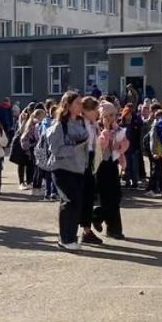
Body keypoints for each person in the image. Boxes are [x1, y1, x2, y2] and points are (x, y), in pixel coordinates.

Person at [45, 91, 90, 251]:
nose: (80, 106)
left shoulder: (81, 122)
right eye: (77, 103)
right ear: (68, 105)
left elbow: (86, 145)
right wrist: (74, 147)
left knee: (76, 203)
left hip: (78, 168)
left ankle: (70, 237)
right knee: (69, 202)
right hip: (62, 169)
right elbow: (55, 150)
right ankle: (65, 239)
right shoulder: (58, 125)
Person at [96, 101, 129, 240]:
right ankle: (111, 227)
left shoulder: (117, 128)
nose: (110, 118)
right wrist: (105, 133)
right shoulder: (97, 128)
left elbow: (125, 144)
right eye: (107, 115)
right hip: (101, 165)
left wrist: (121, 146)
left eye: (113, 115)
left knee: (116, 196)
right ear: (101, 116)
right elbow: (99, 147)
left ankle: (101, 218)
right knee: (107, 197)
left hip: (113, 163)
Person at [77, 97, 101, 245]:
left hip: (92, 158)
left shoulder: (93, 124)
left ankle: (87, 229)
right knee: (83, 196)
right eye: (95, 110)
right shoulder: (79, 123)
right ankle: (83, 230)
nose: (97, 113)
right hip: (82, 160)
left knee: (90, 195)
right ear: (86, 110)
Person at [146, 106, 162, 197]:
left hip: (161, 152)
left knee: (161, 171)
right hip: (157, 152)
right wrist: (154, 152)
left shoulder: (159, 125)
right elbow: (153, 140)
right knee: (156, 171)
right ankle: (152, 189)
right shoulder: (155, 126)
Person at [121, 105, 143, 190]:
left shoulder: (135, 125)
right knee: (126, 167)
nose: (129, 116)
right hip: (125, 149)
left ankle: (134, 182)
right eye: (127, 114)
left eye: (130, 114)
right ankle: (127, 182)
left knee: (134, 167)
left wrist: (138, 148)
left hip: (134, 148)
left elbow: (138, 137)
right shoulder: (121, 126)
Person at [9, 110, 33, 188]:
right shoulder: (20, 121)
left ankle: (29, 181)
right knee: (21, 163)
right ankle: (21, 182)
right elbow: (21, 131)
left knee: (29, 164)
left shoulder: (32, 121)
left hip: (29, 144)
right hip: (20, 144)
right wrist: (24, 121)